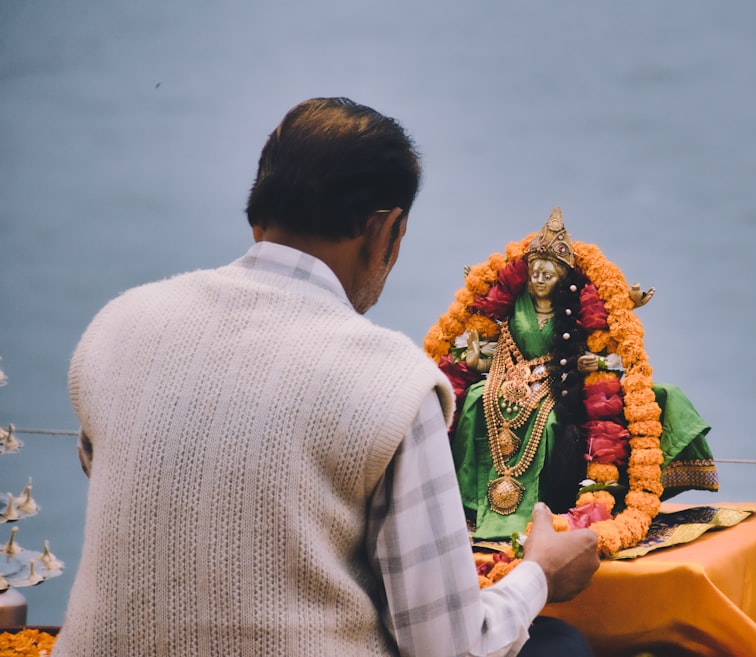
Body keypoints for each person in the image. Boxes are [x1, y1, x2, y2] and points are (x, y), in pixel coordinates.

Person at [55, 97, 599, 657]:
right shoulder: (388, 380)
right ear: (385, 229)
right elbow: (449, 646)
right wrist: (539, 575)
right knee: (557, 645)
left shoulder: (117, 325)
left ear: (256, 214)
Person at [434, 211, 719, 545]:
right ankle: (472, 501)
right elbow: (494, 343)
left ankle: (550, 500)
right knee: (477, 400)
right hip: (509, 375)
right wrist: (478, 359)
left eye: (547, 274)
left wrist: (593, 357)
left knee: (553, 419)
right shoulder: (515, 302)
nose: (538, 280)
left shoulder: (577, 304)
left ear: (561, 279)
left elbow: (604, 349)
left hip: (560, 381)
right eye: (534, 273)